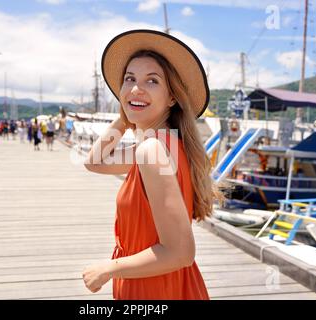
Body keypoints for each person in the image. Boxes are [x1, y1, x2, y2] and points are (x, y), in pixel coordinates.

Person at [82, 29, 220, 300]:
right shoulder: (164, 143)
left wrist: (109, 268)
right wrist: (128, 112)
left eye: (152, 81)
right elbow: (94, 161)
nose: (136, 87)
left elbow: (180, 252)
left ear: (172, 98)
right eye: (129, 79)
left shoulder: (151, 151)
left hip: (155, 290)